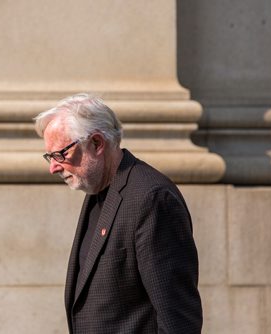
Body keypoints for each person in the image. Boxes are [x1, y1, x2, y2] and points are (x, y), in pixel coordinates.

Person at [34, 93, 202, 333]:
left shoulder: (151, 198)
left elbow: (177, 317)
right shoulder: (98, 189)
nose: (53, 167)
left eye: (61, 154)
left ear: (97, 143)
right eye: (49, 157)